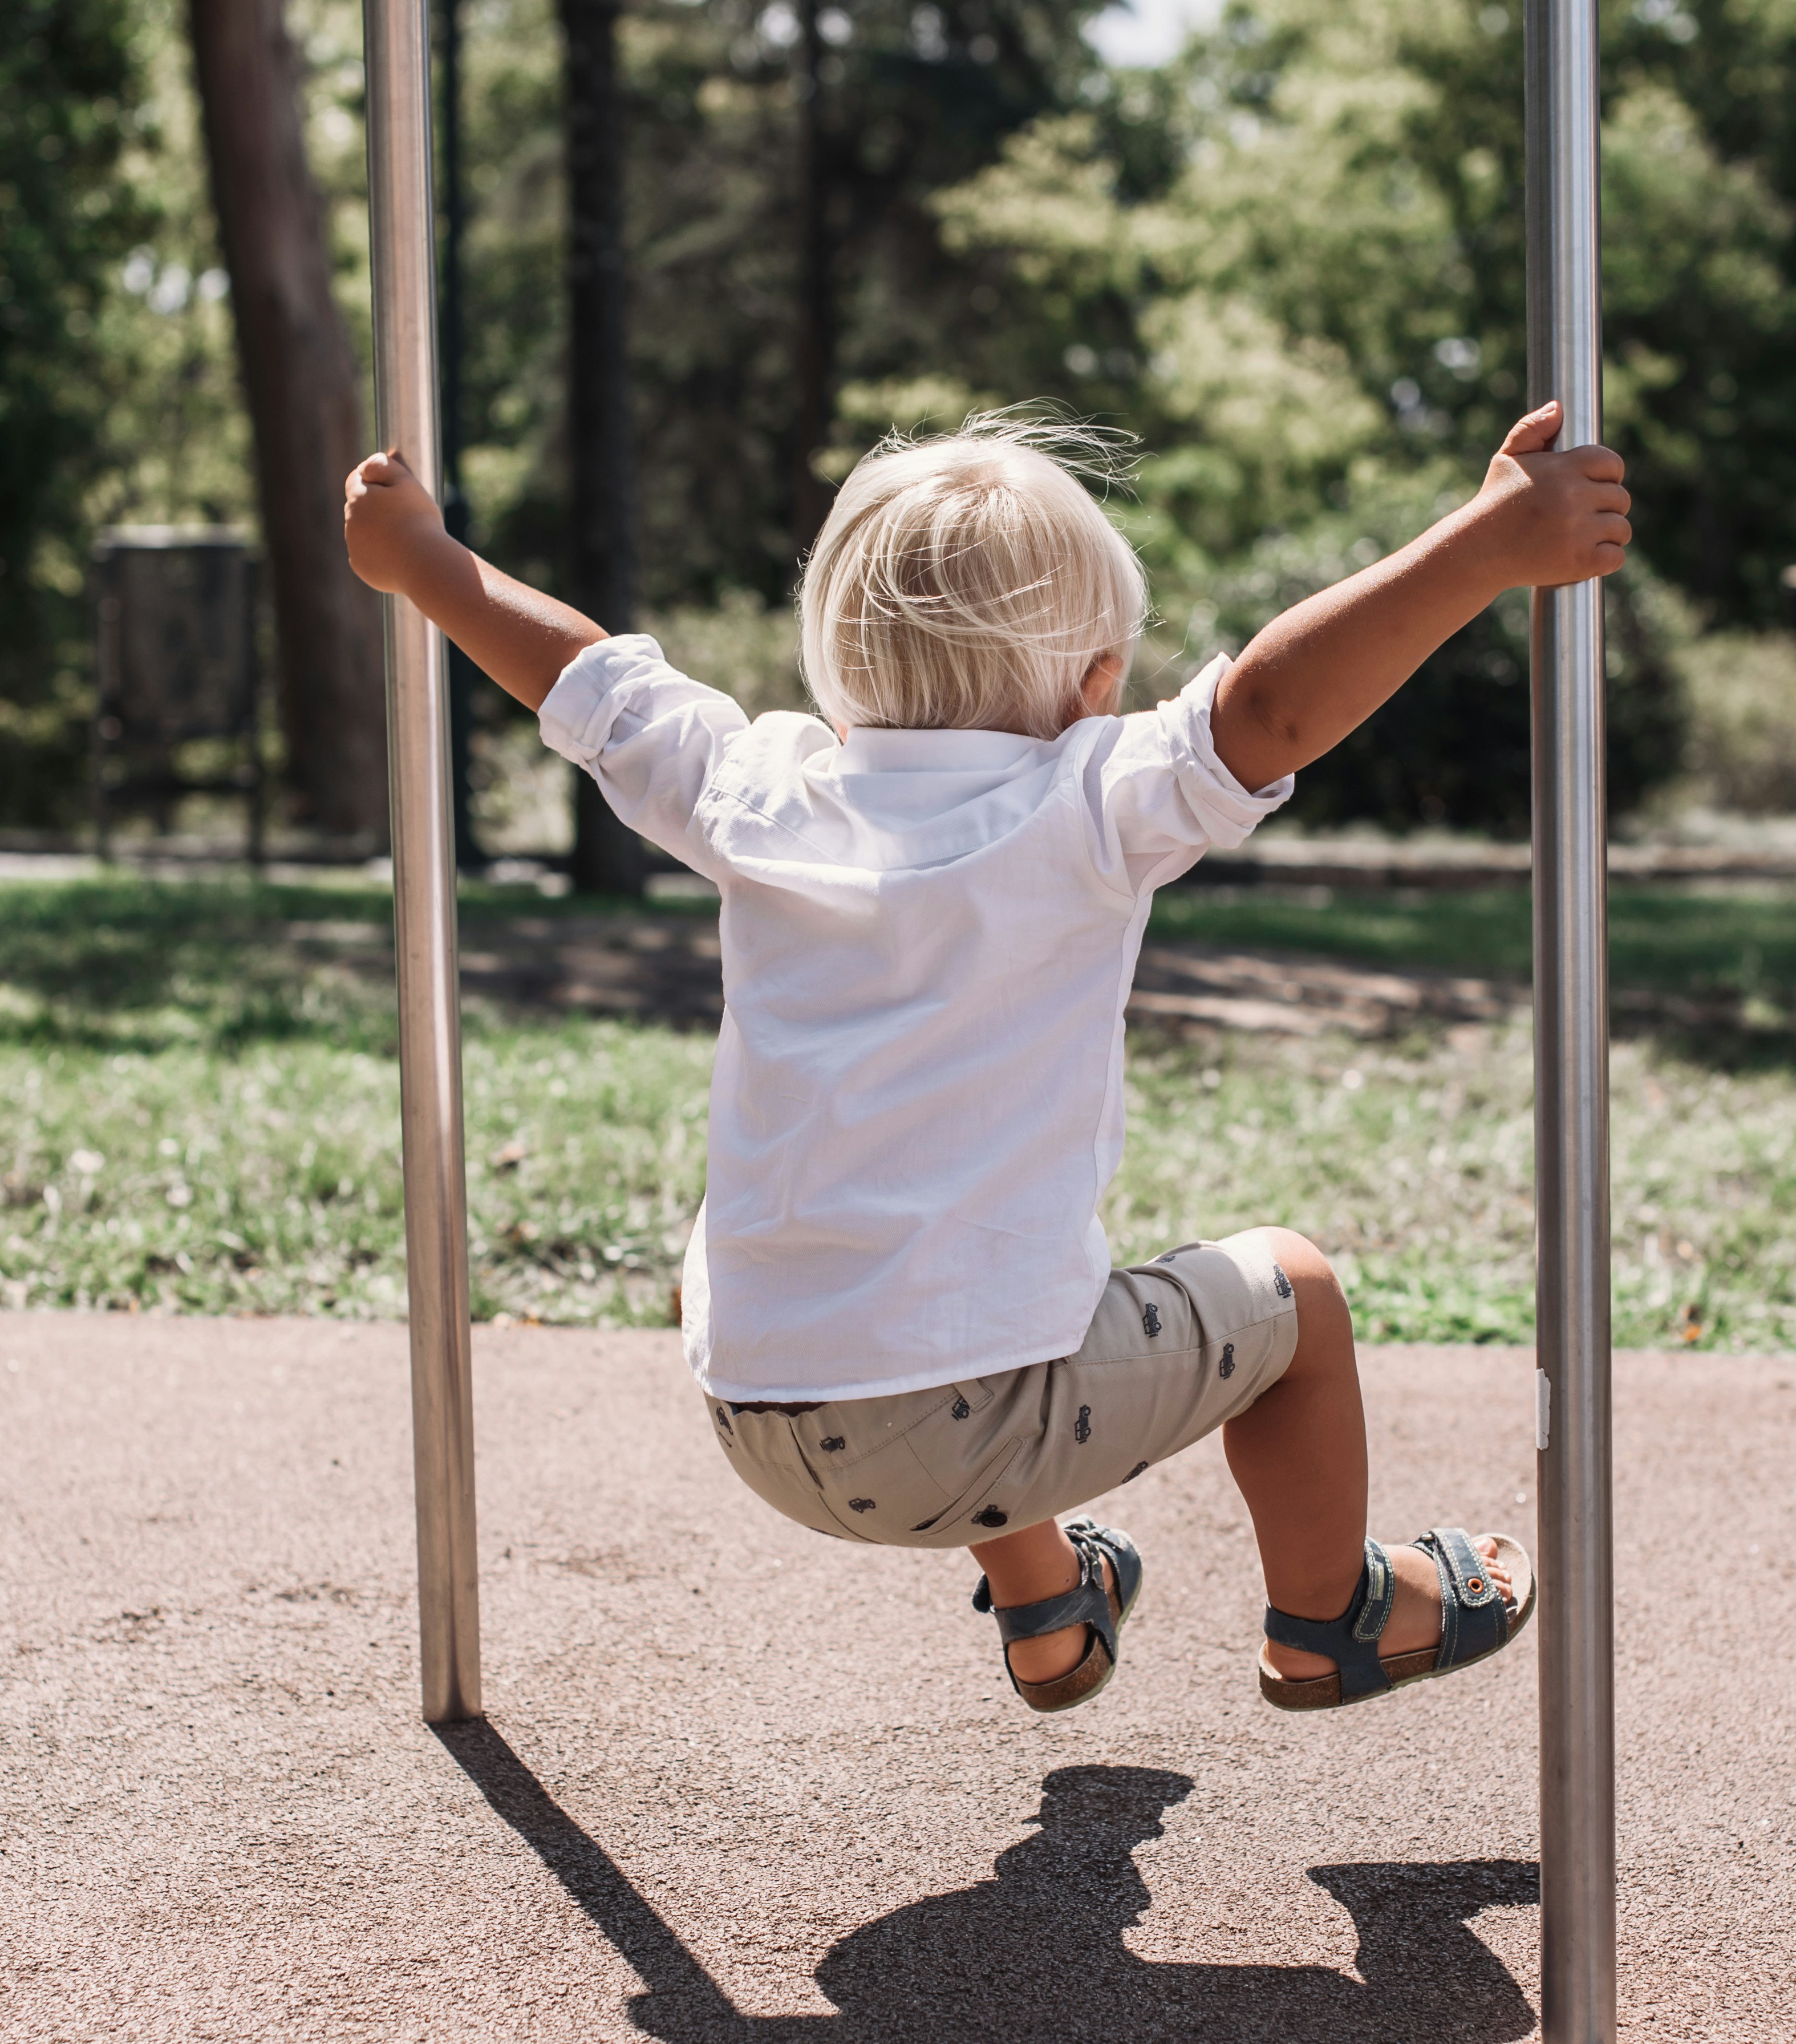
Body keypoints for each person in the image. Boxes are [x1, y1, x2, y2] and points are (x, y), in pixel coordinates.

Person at [343, 403, 1628, 1714]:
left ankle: (1046, 1600)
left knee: (920, 1266)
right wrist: (1480, 548)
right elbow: (1276, 706)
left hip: (753, 1410)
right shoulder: (1087, 800)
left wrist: (422, 561)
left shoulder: (755, 783)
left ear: (836, 661)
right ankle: (1333, 1614)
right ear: (1094, 684)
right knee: (1293, 1294)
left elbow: (581, 679)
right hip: (963, 1425)